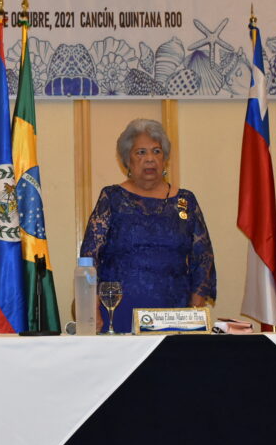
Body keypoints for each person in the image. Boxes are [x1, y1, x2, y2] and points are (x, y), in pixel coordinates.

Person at [80, 119, 216, 333]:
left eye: (156, 151)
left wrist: (195, 311)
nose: (150, 159)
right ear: (127, 160)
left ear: (165, 159)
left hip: (176, 314)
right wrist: (91, 308)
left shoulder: (185, 201)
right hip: (118, 311)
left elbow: (203, 258)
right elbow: (90, 255)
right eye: (141, 152)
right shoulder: (112, 198)